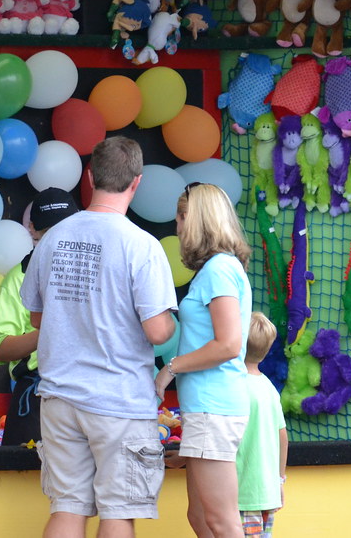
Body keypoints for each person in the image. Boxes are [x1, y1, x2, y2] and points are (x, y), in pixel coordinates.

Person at [21, 136, 178, 538]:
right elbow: (158, 332)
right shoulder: (142, 245)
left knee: (67, 509)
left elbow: (38, 321)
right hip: (118, 401)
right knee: (118, 513)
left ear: (89, 177)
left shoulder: (51, 238)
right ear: (137, 183)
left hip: (58, 396)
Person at [154, 182, 252, 538]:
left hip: (215, 406)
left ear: (195, 220)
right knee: (200, 517)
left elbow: (227, 345)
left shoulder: (219, 270)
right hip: (206, 408)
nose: (177, 226)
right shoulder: (217, 268)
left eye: (181, 217)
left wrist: (170, 369)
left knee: (221, 521)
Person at [0, 187, 79, 446]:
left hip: (87, 389)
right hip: (37, 393)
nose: (60, 239)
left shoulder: (92, 268)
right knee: (20, 481)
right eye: (51, 231)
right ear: (33, 230)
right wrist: (49, 329)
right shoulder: (18, 278)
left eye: (68, 229)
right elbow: (0, 348)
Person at [236, 312, 288, 538]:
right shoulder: (268, 388)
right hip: (267, 491)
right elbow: (282, 438)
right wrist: (279, 480)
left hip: (242, 491)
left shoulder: (234, 385)